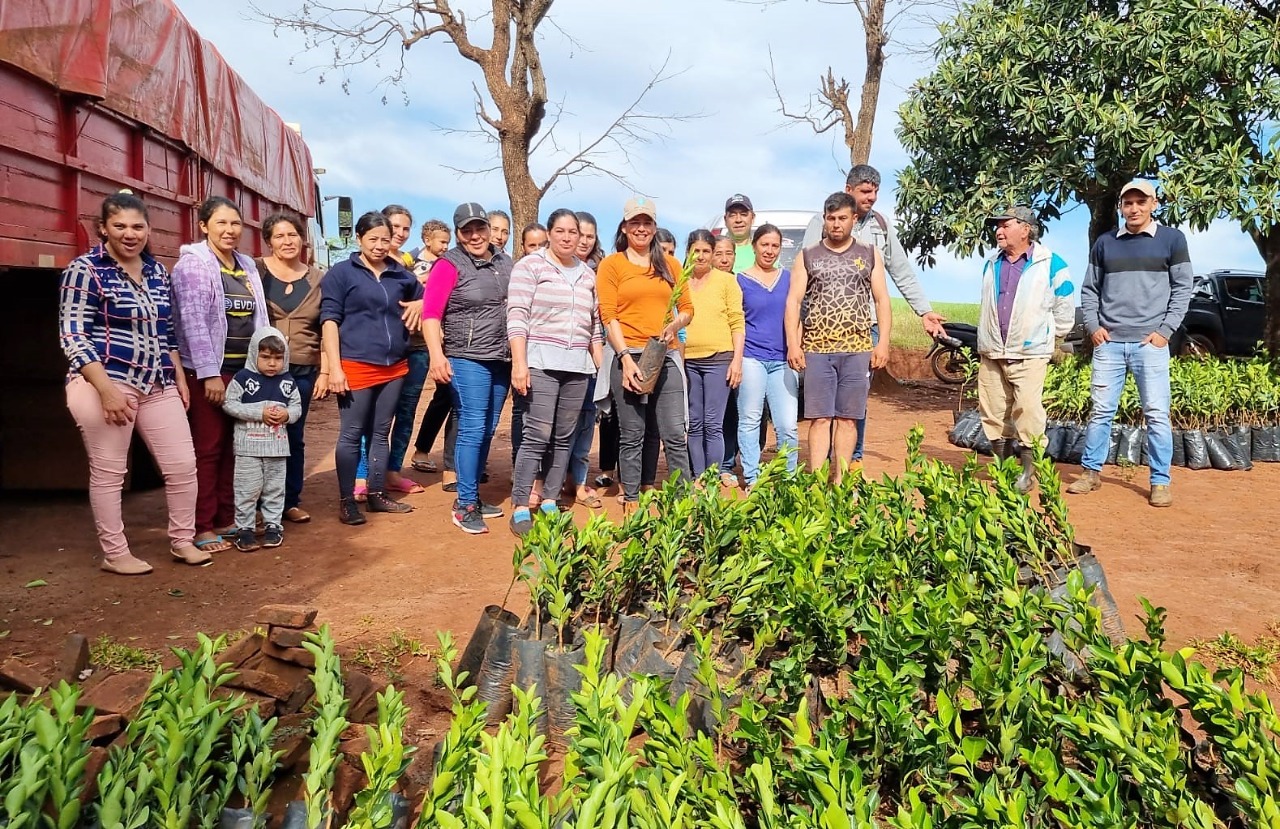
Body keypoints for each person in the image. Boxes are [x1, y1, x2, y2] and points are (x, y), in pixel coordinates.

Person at [59, 192, 209, 574]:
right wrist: (105, 390)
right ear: (104, 229)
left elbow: (166, 331)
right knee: (110, 471)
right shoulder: (85, 270)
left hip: (156, 381)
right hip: (104, 381)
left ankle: (182, 540)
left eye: (137, 226)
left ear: (148, 230)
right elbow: (74, 336)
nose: (130, 234)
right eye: (120, 226)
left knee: (182, 465)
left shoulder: (157, 272)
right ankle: (115, 552)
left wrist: (178, 377)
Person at [1067, 179, 1193, 507]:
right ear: (1121, 207)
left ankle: (1160, 481)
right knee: (1100, 412)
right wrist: (1093, 326)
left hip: (1149, 345)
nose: (1134, 209)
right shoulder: (1106, 243)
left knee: (1156, 413)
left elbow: (1182, 289)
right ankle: (1090, 473)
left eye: (1141, 202)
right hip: (1109, 344)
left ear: (1154, 204)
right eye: (1128, 203)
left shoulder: (1172, 240)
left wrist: (1164, 331)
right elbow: (1090, 289)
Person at [829, 165, 947, 463]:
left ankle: (851, 460)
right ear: (849, 189)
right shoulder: (825, 220)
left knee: (856, 399)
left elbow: (902, 271)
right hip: (827, 328)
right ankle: (828, 461)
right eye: (866, 191)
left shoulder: (880, 225)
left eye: (875, 192)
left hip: (866, 326)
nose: (872, 197)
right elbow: (805, 272)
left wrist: (924, 311)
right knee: (828, 400)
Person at [171, 196, 268, 553]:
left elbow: (260, 319)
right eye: (221, 223)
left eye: (235, 224)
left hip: (243, 373)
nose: (230, 231)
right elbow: (192, 322)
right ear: (204, 226)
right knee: (208, 448)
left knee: (236, 447)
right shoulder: (193, 266)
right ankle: (201, 525)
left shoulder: (245, 265)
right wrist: (210, 374)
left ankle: (228, 516)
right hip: (210, 374)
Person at [320, 211, 423, 525]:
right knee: (351, 434)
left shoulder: (401, 275)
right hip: (355, 366)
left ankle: (377, 494)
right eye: (373, 239)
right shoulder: (341, 273)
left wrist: (422, 302)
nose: (380, 245)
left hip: (394, 367)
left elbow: (427, 300)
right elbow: (329, 321)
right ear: (359, 239)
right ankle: (347, 500)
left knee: (381, 433)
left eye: (385, 239)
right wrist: (334, 369)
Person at [507, 209, 602, 535]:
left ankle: (549, 498)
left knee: (565, 437)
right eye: (560, 231)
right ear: (550, 233)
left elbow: (595, 328)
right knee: (537, 435)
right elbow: (517, 316)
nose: (566, 237)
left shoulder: (588, 275)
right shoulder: (530, 267)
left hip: (577, 367)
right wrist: (520, 364)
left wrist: (601, 370)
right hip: (541, 363)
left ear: (580, 236)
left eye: (572, 232)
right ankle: (520, 503)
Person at [597, 197, 694, 514]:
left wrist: (674, 324)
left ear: (654, 227)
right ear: (624, 227)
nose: (641, 228)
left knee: (674, 433)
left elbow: (688, 309)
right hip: (627, 356)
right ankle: (632, 503)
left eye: (647, 223)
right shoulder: (612, 265)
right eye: (634, 223)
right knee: (633, 434)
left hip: (664, 356)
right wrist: (625, 358)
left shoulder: (671, 265)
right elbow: (608, 314)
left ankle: (684, 503)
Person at [786, 192, 891, 484]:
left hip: (857, 349)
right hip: (817, 350)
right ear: (824, 219)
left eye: (842, 218)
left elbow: (882, 300)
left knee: (847, 418)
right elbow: (794, 302)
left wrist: (882, 342)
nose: (835, 224)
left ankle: (841, 482)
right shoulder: (808, 256)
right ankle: (818, 481)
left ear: (853, 219)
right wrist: (794, 344)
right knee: (819, 418)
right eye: (830, 218)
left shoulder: (869, 254)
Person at [425, 203, 514, 534]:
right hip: (467, 356)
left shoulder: (506, 263)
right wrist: (437, 355)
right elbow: (431, 314)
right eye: (467, 231)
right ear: (458, 234)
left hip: (501, 358)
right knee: (473, 426)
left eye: (480, 229)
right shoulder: (449, 265)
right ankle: (464, 505)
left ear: (490, 230)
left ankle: (472, 494)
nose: (475, 236)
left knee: (488, 428)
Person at [976, 207, 1075, 493]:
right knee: (994, 412)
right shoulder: (991, 264)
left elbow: (1065, 309)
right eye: (998, 226)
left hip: (1030, 354)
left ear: (1026, 229)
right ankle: (1004, 469)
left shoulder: (1051, 263)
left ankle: (1028, 472)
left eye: (1005, 225)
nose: (999, 231)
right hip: (993, 352)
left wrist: (1044, 339)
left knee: (1028, 412)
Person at [255, 212, 326, 524]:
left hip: (300, 369)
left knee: (292, 436)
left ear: (302, 239)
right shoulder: (254, 271)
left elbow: (328, 326)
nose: (287, 241)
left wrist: (325, 370)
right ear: (269, 241)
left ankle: (289, 501)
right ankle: (255, 505)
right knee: (256, 436)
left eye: (293, 235)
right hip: (258, 369)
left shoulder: (318, 278)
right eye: (280, 236)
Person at [222, 328, 302, 551]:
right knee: (247, 489)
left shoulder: (287, 381)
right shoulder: (243, 379)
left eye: (278, 358)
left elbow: (296, 407)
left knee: (274, 489)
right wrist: (259, 413)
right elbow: (229, 404)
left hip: (277, 449)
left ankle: (273, 526)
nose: (272, 364)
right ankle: (245, 529)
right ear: (253, 354)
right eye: (265, 357)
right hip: (248, 449)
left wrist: (287, 415)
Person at [737, 224, 799, 488]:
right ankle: (752, 476)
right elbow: (735, 322)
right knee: (750, 420)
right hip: (751, 357)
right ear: (754, 245)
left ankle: (788, 477)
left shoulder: (789, 278)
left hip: (783, 360)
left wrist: (797, 346)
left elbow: (798, 315)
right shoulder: (739, 280)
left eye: (775, 245)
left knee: (787, 425)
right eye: (765, 244)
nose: (770, 251)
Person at [373, 204, 429, 497]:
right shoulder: (371, 261)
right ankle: (368, 473)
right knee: (376, 415)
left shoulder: (411, 262)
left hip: (417, 348)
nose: (400, 234)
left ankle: (393, 471)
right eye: (395, 227)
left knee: (406, 413)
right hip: (382, 351)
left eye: (406, 228)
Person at [682, 229, 744, 480]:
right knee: (694, 423)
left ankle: (711, 477)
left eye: (706, 251)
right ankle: (698, 476)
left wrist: (736, 361)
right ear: (688, 252)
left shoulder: (727, 281)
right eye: (696, 251)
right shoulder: (679, 281)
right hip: (688, 361)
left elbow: (737, 322)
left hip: (719, 359)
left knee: (713, 423)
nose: (701, 256)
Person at [410, 220, 455, 476]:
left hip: (445, 339)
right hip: (414, 342)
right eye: (442, 241)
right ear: (427, 240)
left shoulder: (448, 262)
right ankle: (407, 457)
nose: (445, 246)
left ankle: (426, 451)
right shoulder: (410, 260)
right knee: (412, 402)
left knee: (447, 396)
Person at [722, 194, 757, 272]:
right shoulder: (714, 251)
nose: (738, 220)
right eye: (732, 215)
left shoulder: (764, 251)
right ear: (725, 219)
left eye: (743, 214)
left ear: (753, 218)